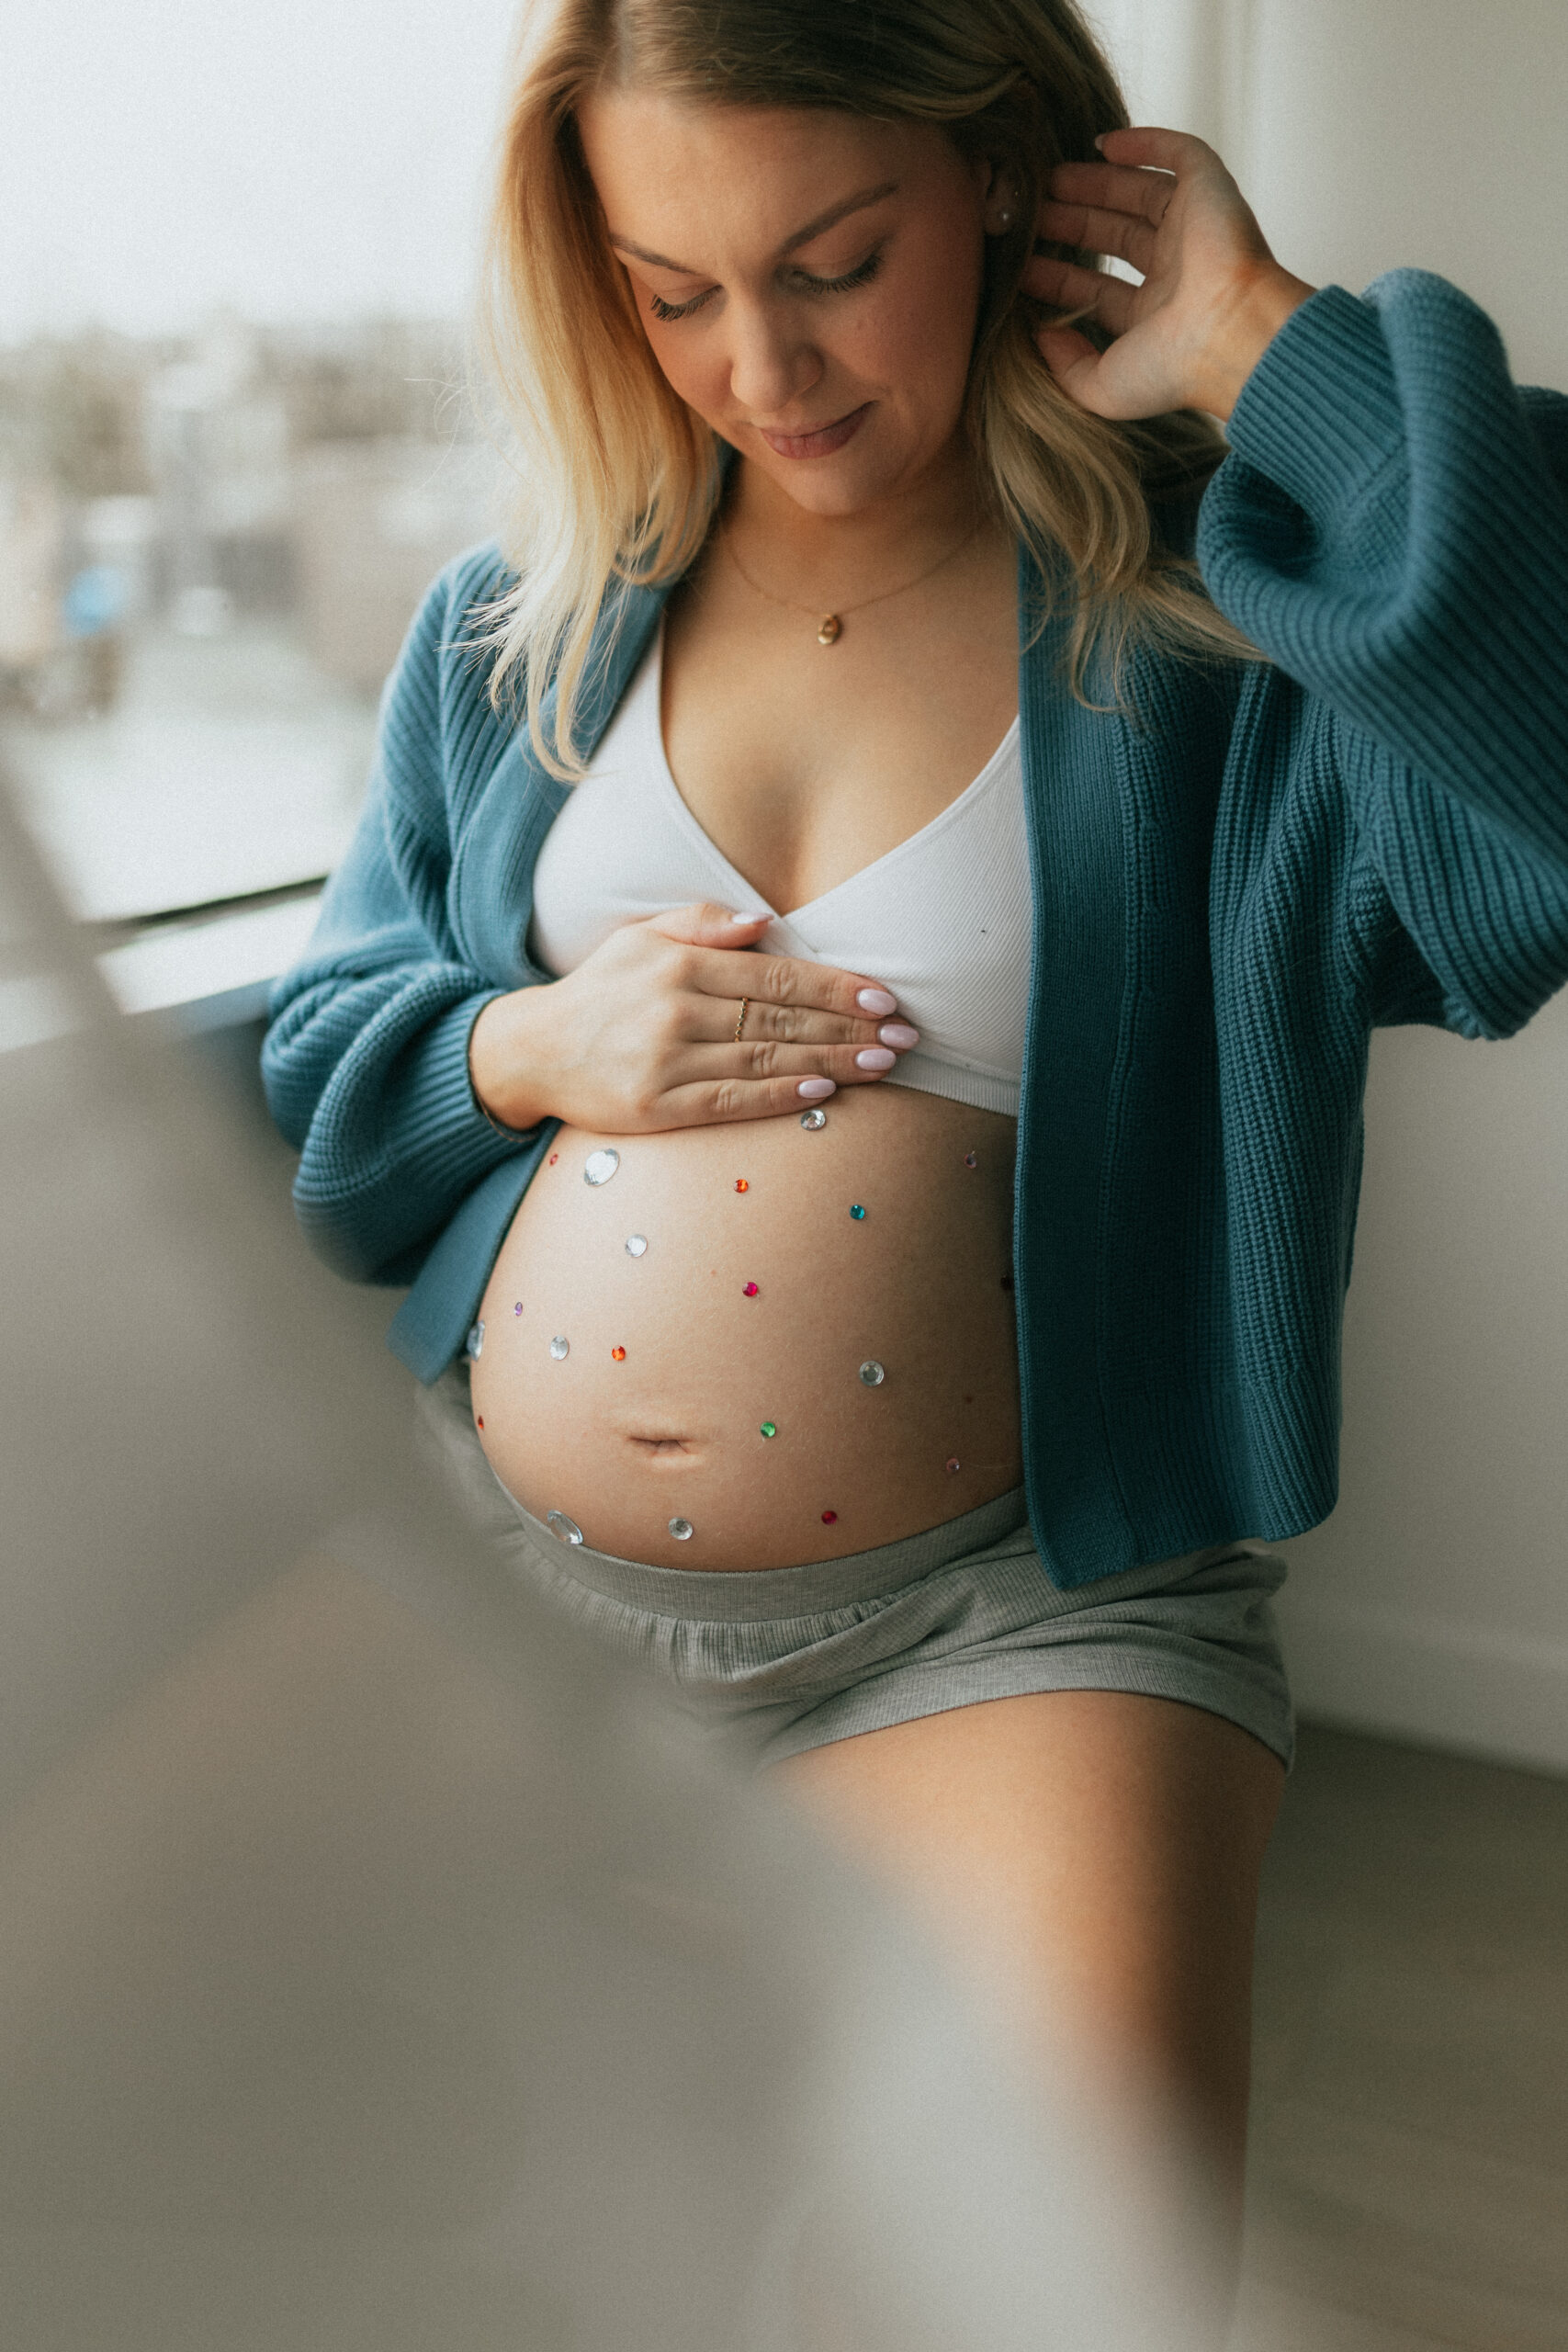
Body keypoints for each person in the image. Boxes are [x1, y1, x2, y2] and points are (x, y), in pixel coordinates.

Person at [262, 0, 1568, 2255]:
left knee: (1076, 2257)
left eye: (830, 259)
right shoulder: (518, 629)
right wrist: (524, 1054)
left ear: (989, 178)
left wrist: (1267, 348)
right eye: (672, 295)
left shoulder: (1216, 621)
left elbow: (1536, 790)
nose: (757, 365)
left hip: (1007, 1620)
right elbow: (324, 1087)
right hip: (496, 1580)